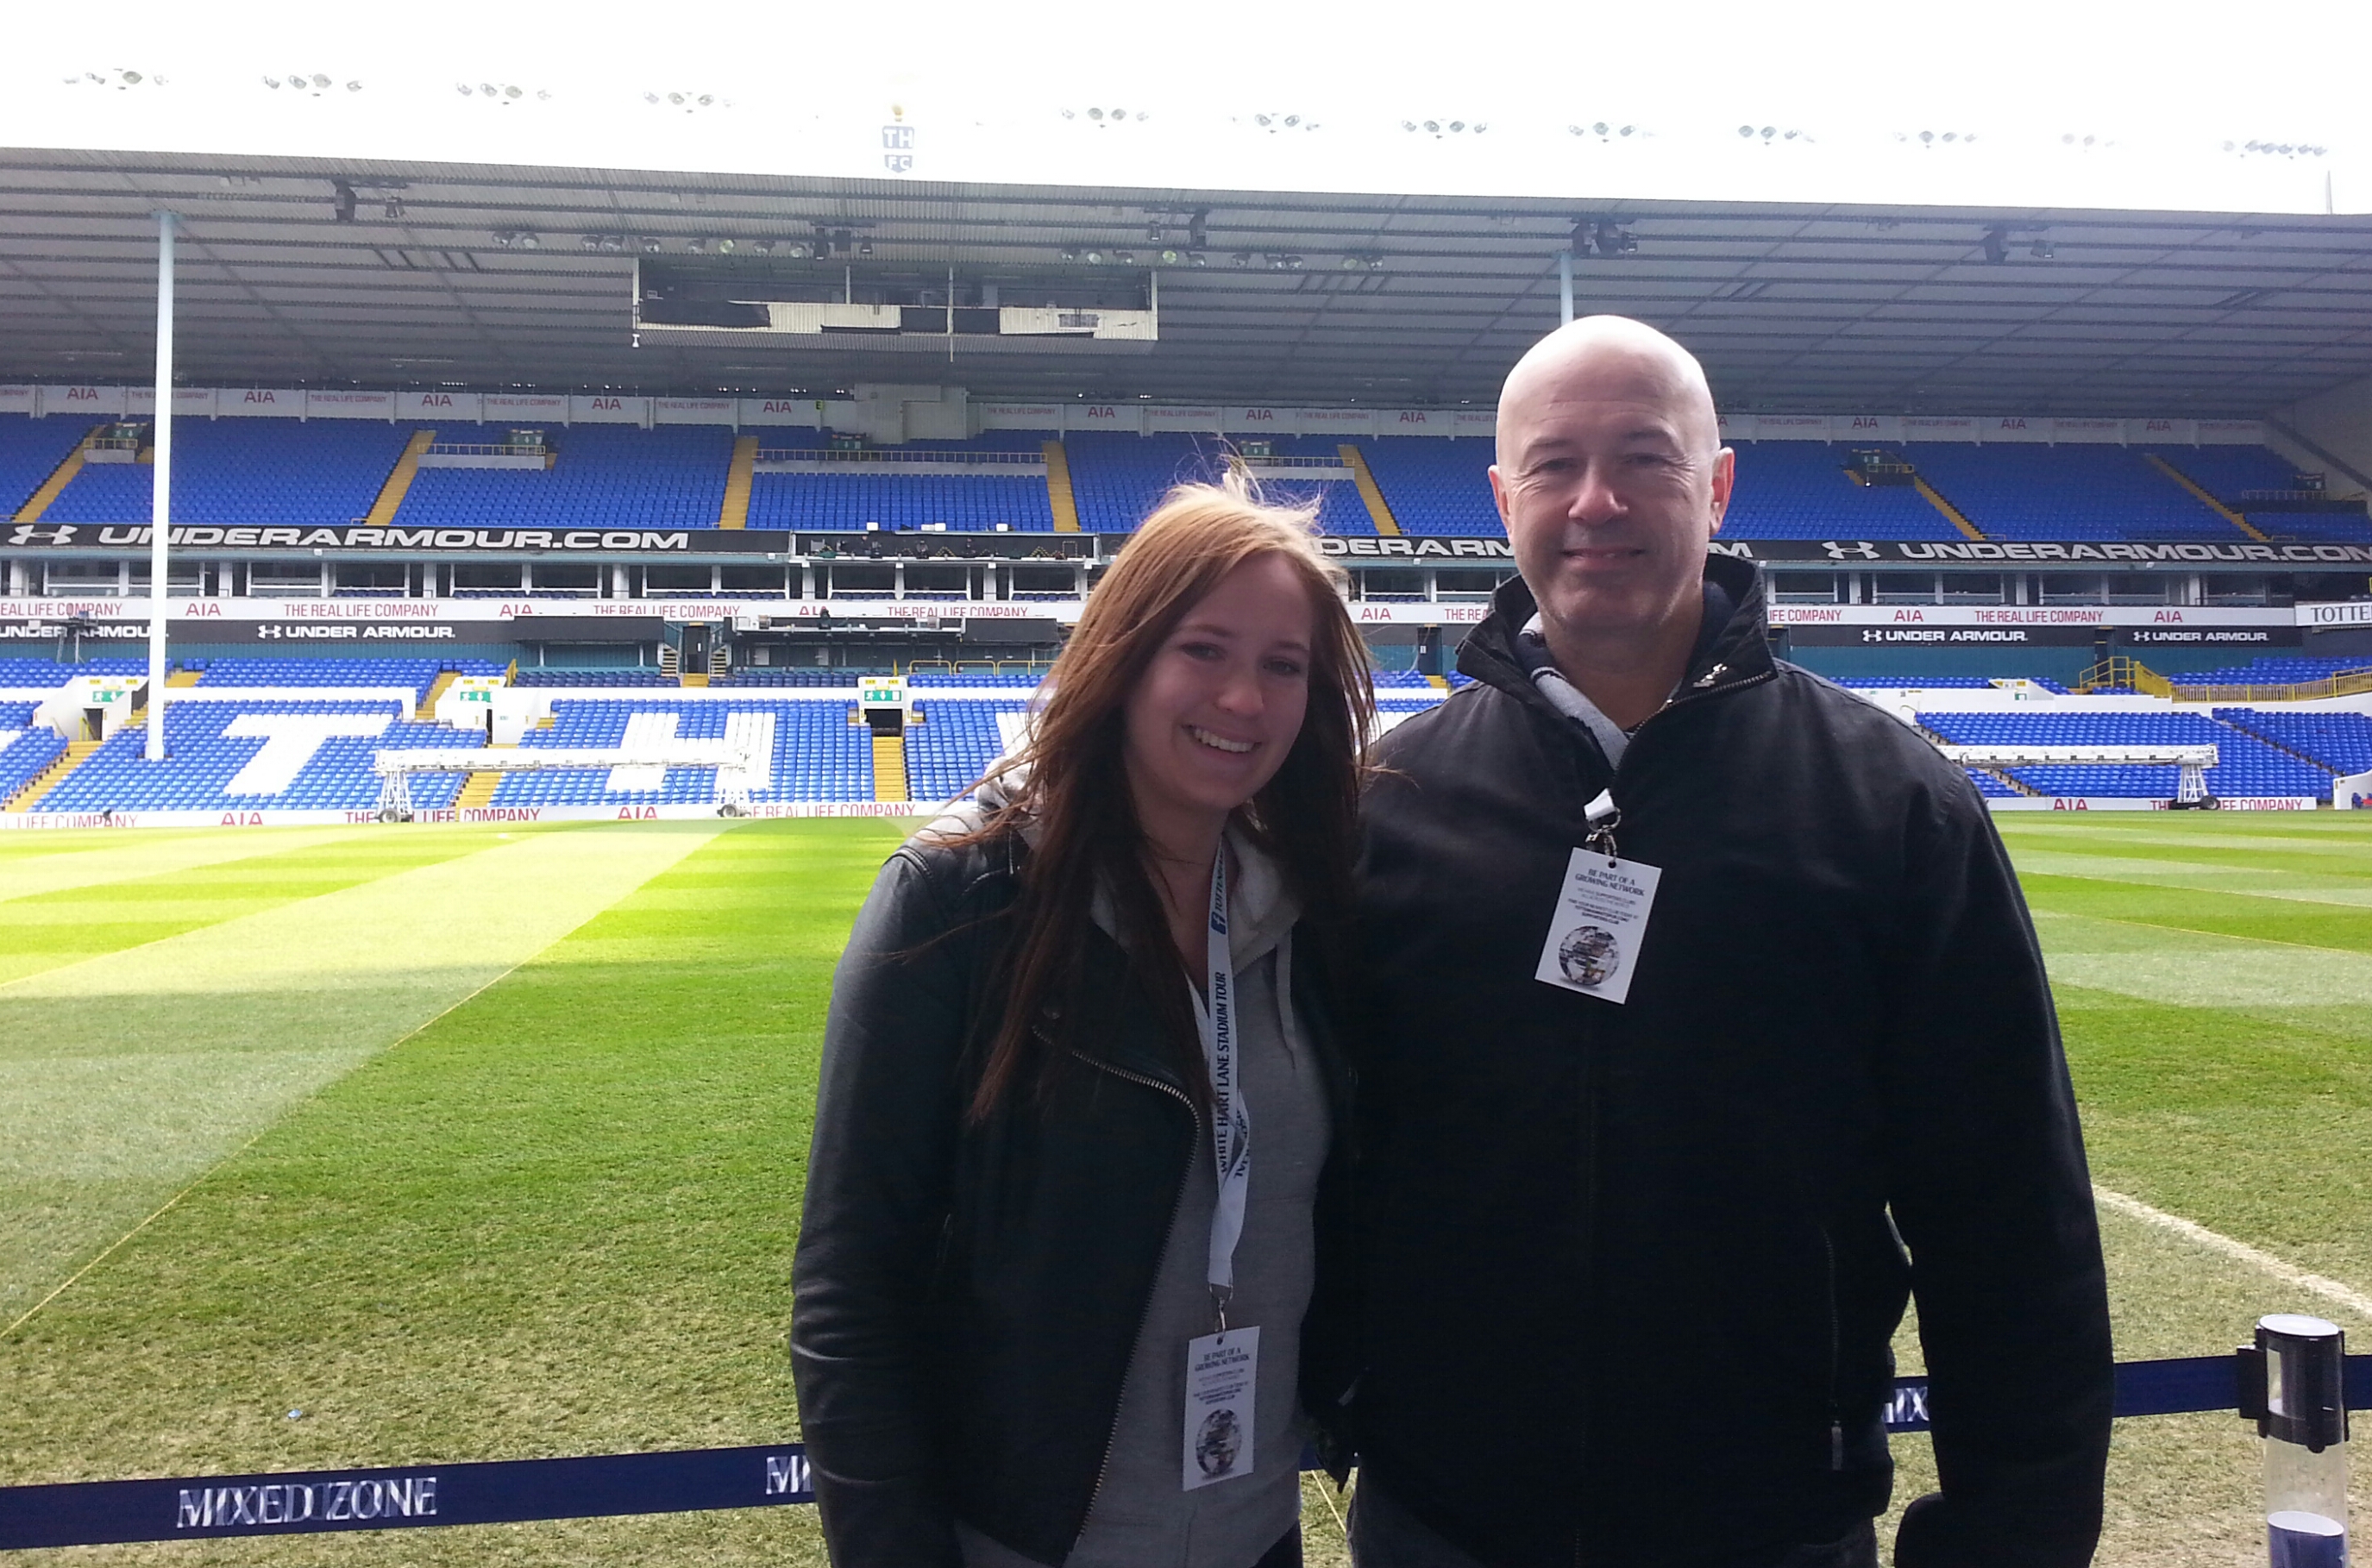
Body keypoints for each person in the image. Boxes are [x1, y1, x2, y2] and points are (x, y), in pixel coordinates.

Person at [1348, 317, 2112, 1568]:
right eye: (1554, 465)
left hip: (1773, 1524)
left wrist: (2009, 1533)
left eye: (1643, 457)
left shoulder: (1890, 802)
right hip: (1439, 1521)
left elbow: (2007, 1208)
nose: (1595, 501)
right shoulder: (1386, 805)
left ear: (1715, 485)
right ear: (1501, 499)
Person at [793, 479, 1373, 1568]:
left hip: (1255, 1533)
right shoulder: (960, 899)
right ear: (1124, 653)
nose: (1243, 698)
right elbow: (849, 1288)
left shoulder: (1313, 912)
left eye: (1283, 665)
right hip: (1027, 1542)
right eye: (1204, 649)